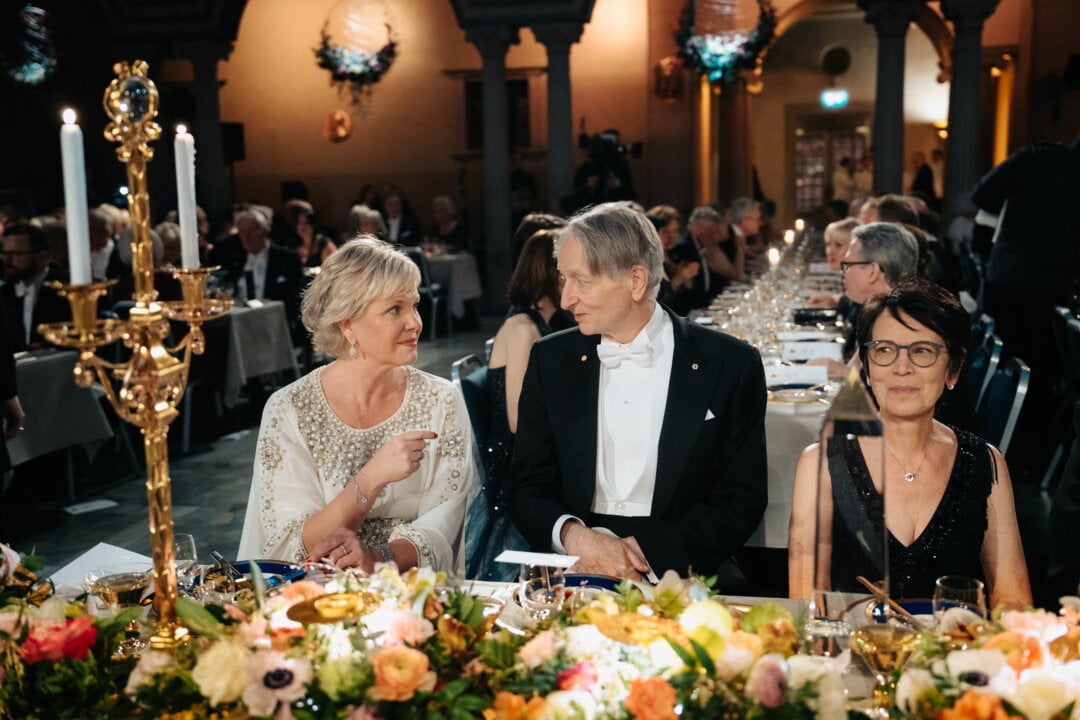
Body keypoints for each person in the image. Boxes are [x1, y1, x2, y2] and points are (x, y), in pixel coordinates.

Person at [509, 203, 767, 584]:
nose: (566, 300)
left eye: (582, 281)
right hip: (575, 564)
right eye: (564, 280)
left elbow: (740, 502)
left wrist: (642, 553)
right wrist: (576, 538)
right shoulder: (552, 359)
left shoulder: (730, 363)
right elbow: (526, 486)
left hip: (685, 568)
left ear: (635, 281)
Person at [788, 278, 1032, 608]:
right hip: (851, 653)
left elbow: (1013, 602)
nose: (902, 369)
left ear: (953, 372)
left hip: (955, 654)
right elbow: (807, 602)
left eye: (922, 352)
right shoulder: (822, 464)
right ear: (868, 370)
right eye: (884, 351)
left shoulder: (984, 462)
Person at [237, 236, 473, 573]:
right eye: (395, 309)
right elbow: (293, 541)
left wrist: (379, 559)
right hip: (320, 592)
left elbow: (447, 518)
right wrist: (372, 476)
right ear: (347, 323)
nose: (415, 322)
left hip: (412, 589)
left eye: (414, 305)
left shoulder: (442, 401)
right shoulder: (289, 408)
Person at [465, 228, 563, 581]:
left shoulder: (543, 324)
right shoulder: (523, 329)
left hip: (528, 450)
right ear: (551, 275)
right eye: (571, 273)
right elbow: (518, 420)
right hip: (513, 461)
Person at [808, 221, 920, 380]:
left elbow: (903, 387)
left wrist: (846, 373)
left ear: (873, 272)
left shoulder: (906, 321)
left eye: (847, 264)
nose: (843, 272)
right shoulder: (878, 310)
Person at [223, 208, 305, 343]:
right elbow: (227, 290)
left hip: (275, 326)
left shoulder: (286, 258)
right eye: (242, 231)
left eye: (252, 230)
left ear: (266, 230)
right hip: (239, 325)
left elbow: (297, 298)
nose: (247, 236)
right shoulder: (235, 261)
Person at [1, 223, 69, 351]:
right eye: (4, 254)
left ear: (42, 256)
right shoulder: (5, 294)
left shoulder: (65, 289)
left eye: (17, 254)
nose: (7, 261)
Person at [646, 205, 699, 316]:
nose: (670, 237)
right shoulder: (648, 262)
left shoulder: (676, 254)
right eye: (665, 232)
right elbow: (657, 304)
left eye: (675, 231)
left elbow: (688, 297)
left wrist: (687, 279)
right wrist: (679, 279)